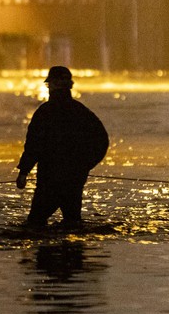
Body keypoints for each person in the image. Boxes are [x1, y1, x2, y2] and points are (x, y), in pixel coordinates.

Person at [15, 66, 109, 226]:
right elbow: (102, 141)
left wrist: (24, 172)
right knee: (72, 222)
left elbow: (33, 145)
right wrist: (84, 166)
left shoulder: (45, 112)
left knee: (35, 224)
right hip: (75, 179)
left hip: (49, 179)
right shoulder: (81, 112)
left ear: (52, 86)